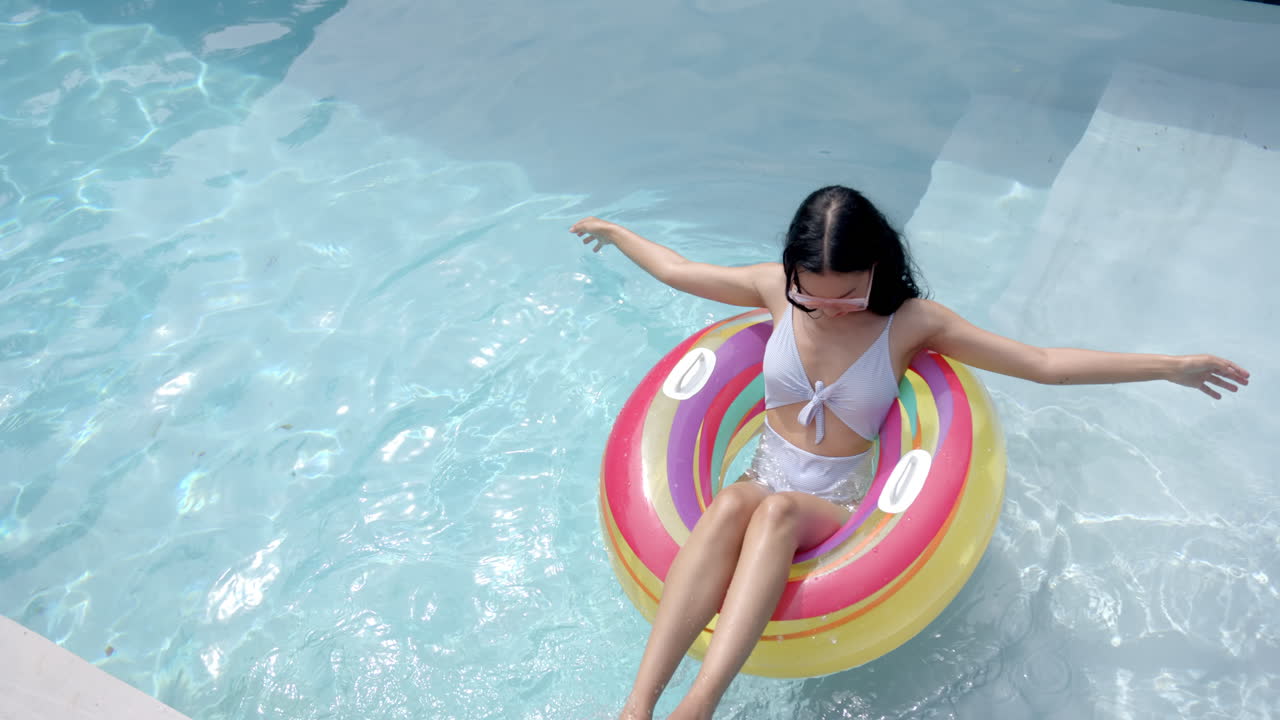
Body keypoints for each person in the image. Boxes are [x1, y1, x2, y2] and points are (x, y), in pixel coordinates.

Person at [570, 185, 1249, 720]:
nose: (830, 310)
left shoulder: (910, 324)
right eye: (814, 294)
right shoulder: (774, 291)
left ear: (877, 266)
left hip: (835, 505)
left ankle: (699, 707)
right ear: (792, 271)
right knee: (733, 505)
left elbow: (1042, 363)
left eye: (848, 295)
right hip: (766, 473)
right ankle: (638, 708)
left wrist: (1167, 365)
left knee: (774, 513)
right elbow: (678, 269)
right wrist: (617, 232)